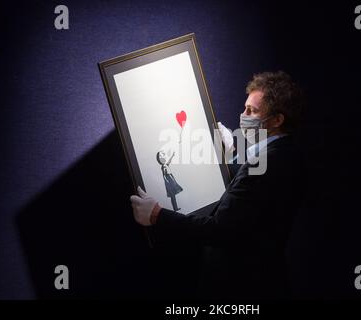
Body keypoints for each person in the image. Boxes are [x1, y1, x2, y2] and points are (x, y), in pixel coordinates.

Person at [130, 71, 305, 299]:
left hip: (242, 288)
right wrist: (232, 153)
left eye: (252, 111)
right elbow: (251, 200)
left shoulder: (267, 165)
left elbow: (219, 229)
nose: (243, 115)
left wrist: (157, 215)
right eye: (245, 108)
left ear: (277, 120)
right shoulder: (286, 152)